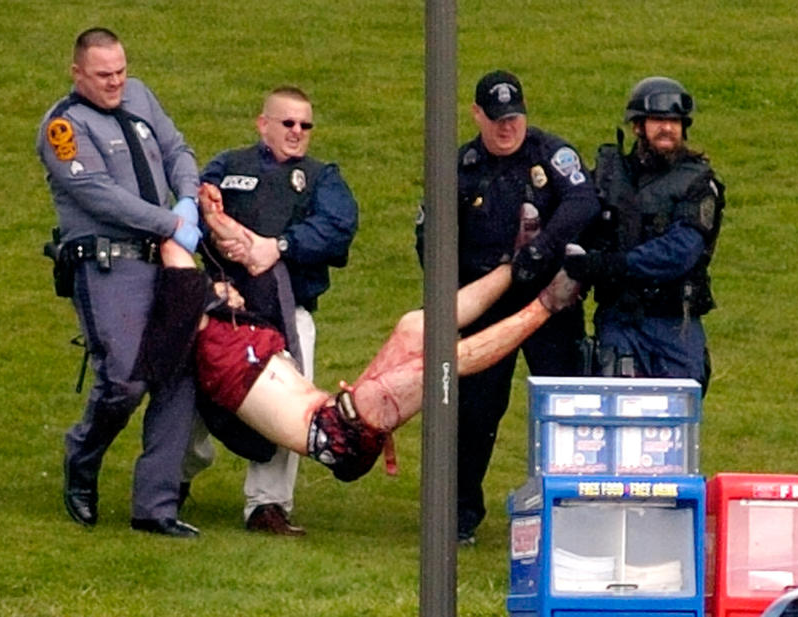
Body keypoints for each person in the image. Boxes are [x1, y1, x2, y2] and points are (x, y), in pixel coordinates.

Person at [138, 203, 581, 487]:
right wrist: (176, 212)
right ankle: (548, 303)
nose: (232, 291)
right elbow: (174, 243)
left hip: (335, 408)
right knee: (441, 366)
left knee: (412, 328)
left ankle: (516, 267)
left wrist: (206, 205)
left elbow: (236, 243)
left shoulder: (227, 319)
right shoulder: (192, 320)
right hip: (334, 434)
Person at [415, 70, 600, 544]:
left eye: (514, 117)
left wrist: (543, 251)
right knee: (474, 413)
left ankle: (571, 511)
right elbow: (429, 238)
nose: (506, 128)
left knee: (565, 407)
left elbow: (583, 201)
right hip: (486, 307)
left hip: (549, 303)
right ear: (477, 115)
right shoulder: (461, 167)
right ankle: (458, 517)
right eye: (496, 119)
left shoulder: (549, 153)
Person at [36, 27, 203, 538]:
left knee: (178, 374)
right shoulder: (64, 126)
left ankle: (156, 506)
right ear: (78, 73)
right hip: (111, 265)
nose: (115, 83)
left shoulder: (141, 96)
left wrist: (189, 197)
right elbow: (97, 193)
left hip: (167, 258)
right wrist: (171, 222)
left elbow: (177, 149)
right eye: (104, 75)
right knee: (125, 379)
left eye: (121, 71)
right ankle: (82, 458)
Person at [183, 86, 358, 536]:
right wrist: (216, 226)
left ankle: (268, 506)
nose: (297, 132)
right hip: (223, 311)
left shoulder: (322, 177)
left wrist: (276, 247)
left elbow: (338, 227)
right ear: (263, 124)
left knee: (291, 409)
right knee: (191, 397)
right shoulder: (227, 166)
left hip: (287, 314)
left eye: (306, 125)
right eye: (288, 123)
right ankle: (174, 479)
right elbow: (189, 215)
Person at [564, 76, 725, 393]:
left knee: (675, 423)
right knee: (615, 416)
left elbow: (680, 252)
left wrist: (611, 264)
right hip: (618, 320)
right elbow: (578, 222)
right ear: (638, 126)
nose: (667, 128)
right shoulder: (609, 176)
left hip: (673, 326)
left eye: (675, 121)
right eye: (658, 120)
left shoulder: (698, 183)